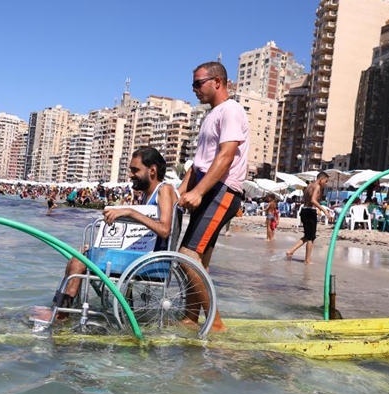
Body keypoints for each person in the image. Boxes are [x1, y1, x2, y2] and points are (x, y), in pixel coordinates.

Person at [32, 146, 178, 324]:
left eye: (135, 170)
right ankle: (59, 308)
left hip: (151, 262)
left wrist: (130, 212)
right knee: (77, 256)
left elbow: (164, 229)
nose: (130, 175)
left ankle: (61, 316)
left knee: (79, 262)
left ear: (152, 170)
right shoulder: (146, 197)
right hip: (136, 256)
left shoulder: (164, 190)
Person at [177, 61, 249, 332]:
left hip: (222, 191)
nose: (194, 89)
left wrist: (197, 191)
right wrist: (180, 191)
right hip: (208, 189)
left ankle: (216, 325)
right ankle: (189, 317)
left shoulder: (231, 110)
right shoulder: (212, 114)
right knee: (199, 261)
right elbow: (199, 164)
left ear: (217, 81)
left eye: (198, 83)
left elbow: (226, 156)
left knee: (187, 256)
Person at [286, 172, 332, 264]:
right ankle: (307, 260)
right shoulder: (317, 186)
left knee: (307, 236)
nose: (326, 184)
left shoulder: (309, 186)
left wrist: (316, 208)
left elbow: (307, 199)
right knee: (311, 237)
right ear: (321, 180)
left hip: (304, 210)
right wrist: (324, 210)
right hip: (310, 212)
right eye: (325, 181)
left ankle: (291, 251)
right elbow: (313, 200)